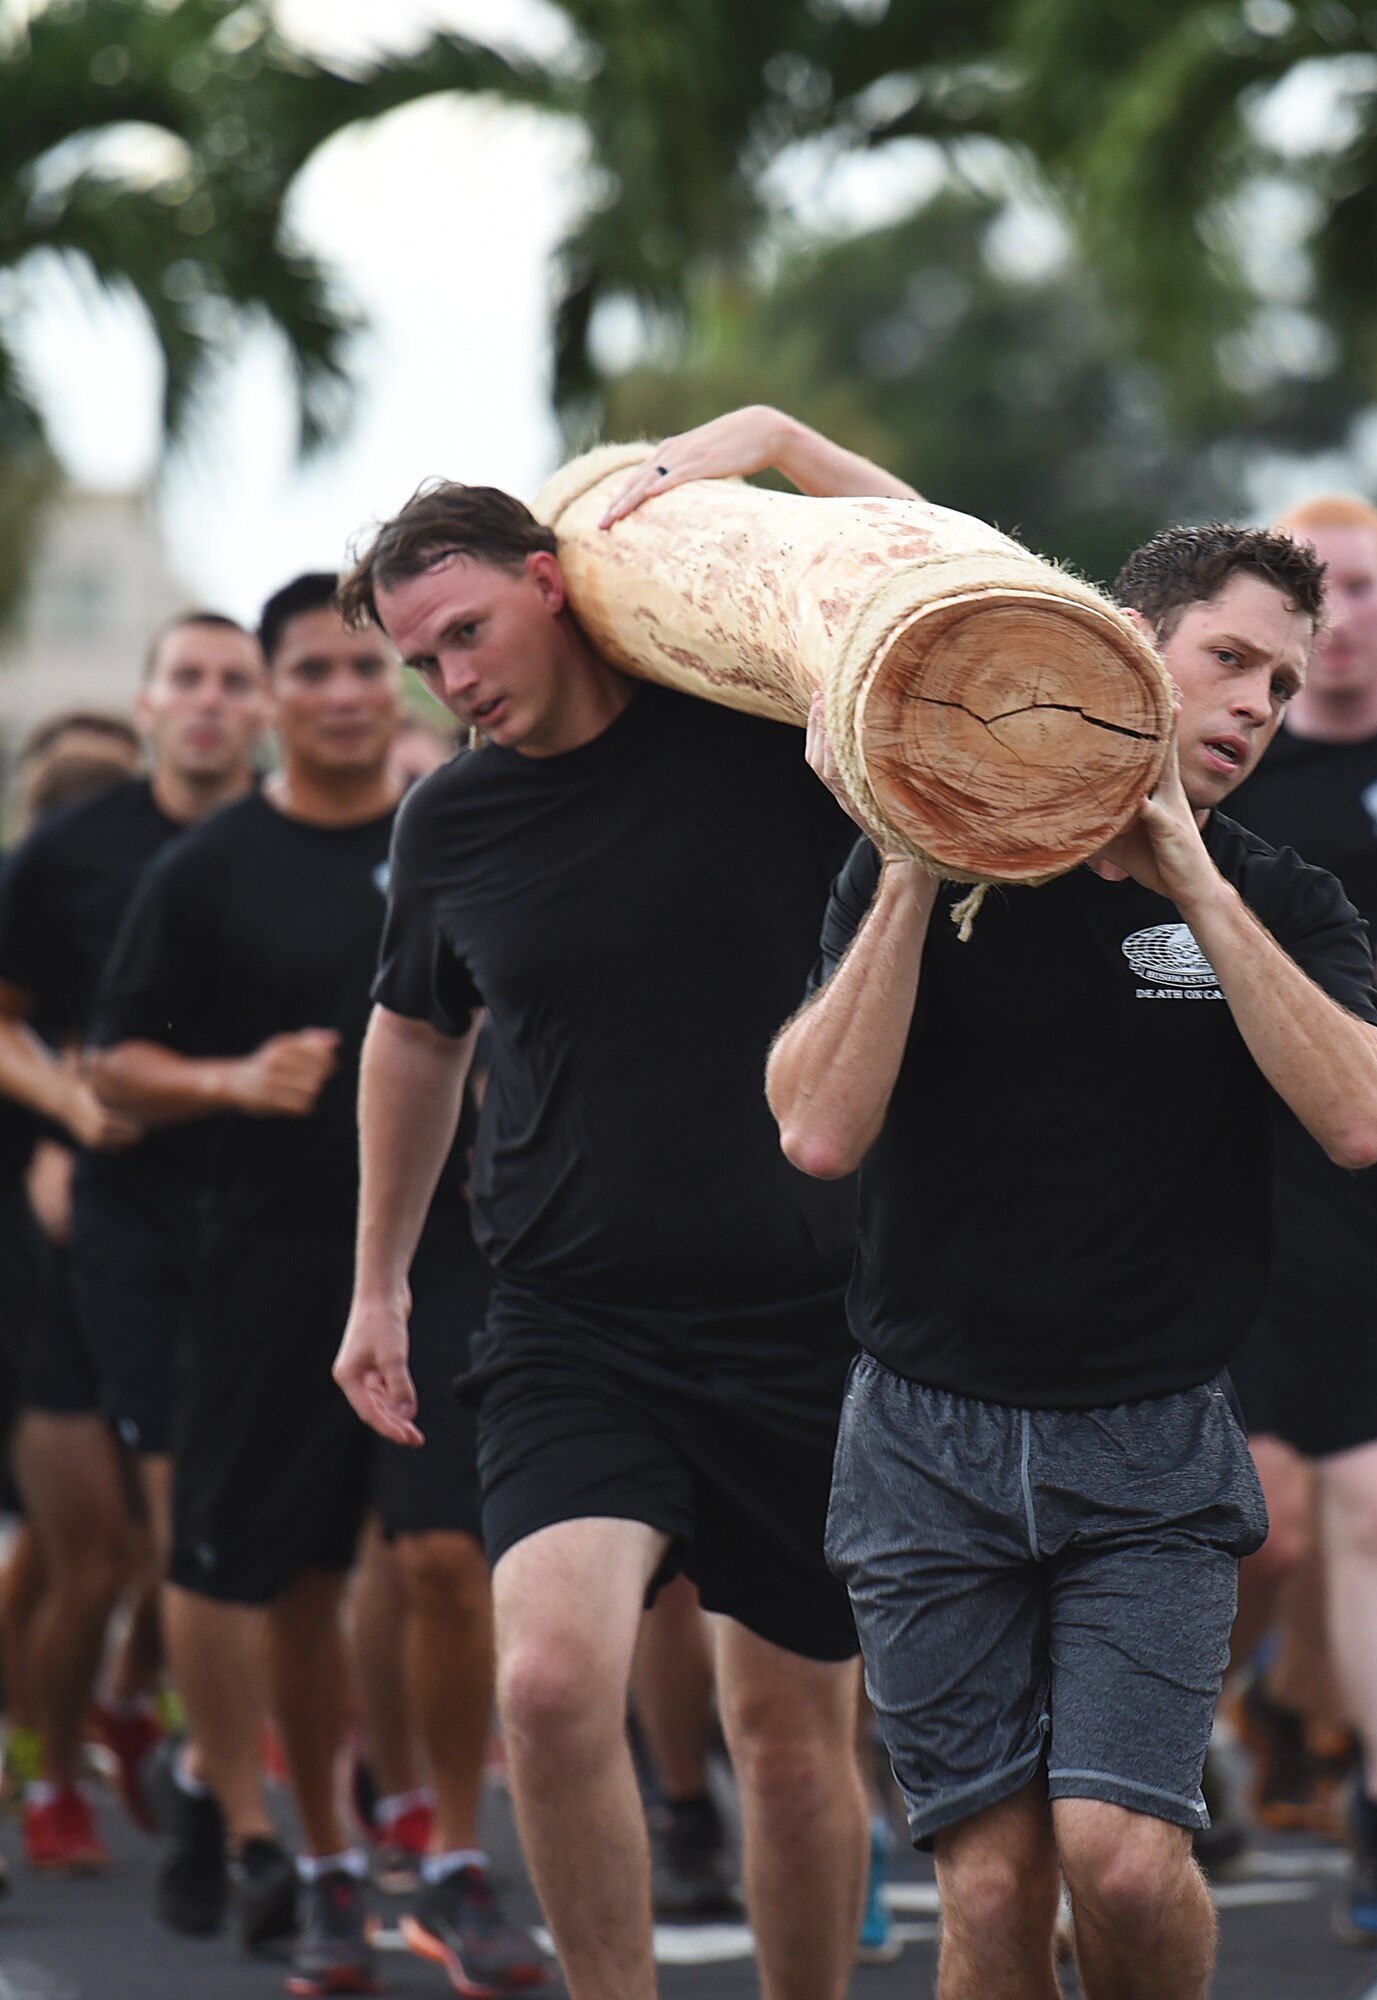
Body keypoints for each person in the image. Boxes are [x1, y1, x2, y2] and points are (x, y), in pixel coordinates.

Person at [615, 409, 1377, 2000]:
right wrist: (916, 847)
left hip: (1153, 1443)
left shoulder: (1281, 893)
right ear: (1123, 650)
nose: (1255, 705)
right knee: (987, 1896)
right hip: (926, 1440)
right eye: (1231, 661)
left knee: (1121, 1861)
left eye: (1281, 685)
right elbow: (818, 1136)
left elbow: (1363, 1116)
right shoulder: (929, 864)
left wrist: (1194, 878)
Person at [331, 465, 891, 2000]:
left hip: (807, 1318)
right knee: (552, 1682)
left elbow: (934, 600)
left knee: (785, 1748)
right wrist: (376, 1286)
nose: (452, 680)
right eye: (420, 660)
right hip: (576, 1321)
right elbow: (412, 1037)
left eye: (463, 633)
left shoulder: (763, 743)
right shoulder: (449, 819)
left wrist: (759, 434)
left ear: (548, 579)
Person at [88, 573, 534, 2000]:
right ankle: (331, 1863)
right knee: (290, 1581)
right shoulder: (209, 869)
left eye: (365, 668)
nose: (344, 695)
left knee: (450, 1562)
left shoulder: (458, 832)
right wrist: (227, 1077)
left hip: (456, 1247)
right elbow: (110, 1068)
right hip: (272, 1260)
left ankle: (458, 1857)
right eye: (312, 672)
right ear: (273, 693)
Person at [0, 615, 267, 1871]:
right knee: (91, 1546)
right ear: (149, 703)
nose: (210, 703)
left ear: (260, 710)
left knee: (194, 1530)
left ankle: (147, 1707)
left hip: (240, 1231)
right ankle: (47, 1766)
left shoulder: (294, 846)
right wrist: (64, 1110)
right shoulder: (65, 853)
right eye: (188, 681)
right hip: (69, 1231)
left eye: (234, 683)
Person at [1229, 493, 1377, 1941]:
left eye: (1358, 587)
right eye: (1315, 599)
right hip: (1309, 1180)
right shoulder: (1238, 774)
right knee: (1332, 1515)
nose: (1341, 618)